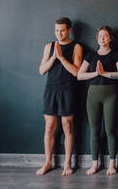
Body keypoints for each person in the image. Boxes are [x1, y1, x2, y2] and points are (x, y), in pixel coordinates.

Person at [37, 17, 83, 176]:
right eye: (57, 30)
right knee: (49, 127)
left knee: (67, 127)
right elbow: (42, 70)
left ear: (69, 30)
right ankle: (48, 162)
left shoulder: (76, 47)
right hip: (51, 90)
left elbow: (76, 72)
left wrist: (62, 57)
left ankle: (67, 164)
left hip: (67, 90)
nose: (59, 33)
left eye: (62, 30)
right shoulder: (49, 46)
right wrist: (54, 57)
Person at [77, 26, 118, 176]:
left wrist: (104, 73)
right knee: (94, 130)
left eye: (105, 36)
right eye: (100, 36)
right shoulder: (90, 56)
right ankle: (95, 163)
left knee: (110, 130)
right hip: (93, 95)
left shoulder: (116, 55)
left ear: (111, 38)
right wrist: (95, 74)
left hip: (110, 95)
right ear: (97, 39)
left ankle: (112, 164)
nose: (102, 38)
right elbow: (79, 75)